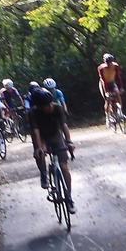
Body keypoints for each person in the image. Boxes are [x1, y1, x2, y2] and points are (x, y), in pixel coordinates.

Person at [25, 78, 74, 208]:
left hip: (55, 135)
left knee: (64, 167)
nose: (50, 106)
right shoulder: (33, 113)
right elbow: (35, 131)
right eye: (46, 105)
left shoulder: (57, 108)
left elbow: (64, 126)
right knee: (40, 153)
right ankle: (43, 173)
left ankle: (69, 197)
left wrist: (69, 141)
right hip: (42, 137)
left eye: (50, 103)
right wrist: (39, 148)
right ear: (39, 106)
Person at [97, 53, 125, 123]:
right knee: (108, 99)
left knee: (117, 93)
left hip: (111, 82)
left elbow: (118, 77)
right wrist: (106, 92)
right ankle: (108, 117)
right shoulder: (101, 68)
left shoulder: (115, 66)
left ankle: (120, 111)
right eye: (107, 62)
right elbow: (103, 81)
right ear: (104, 62)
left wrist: (121, 87)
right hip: (104, 84)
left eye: (110, 62)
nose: (109, 64)